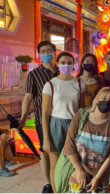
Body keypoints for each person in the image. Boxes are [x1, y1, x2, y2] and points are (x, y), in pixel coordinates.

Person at [42, 52, 86, 194]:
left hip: (75, 125)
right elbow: (44, 114)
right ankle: (56, 192)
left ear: (74, 64)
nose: (66, 65)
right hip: (56, 125)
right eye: (63, 62)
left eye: (69, 62)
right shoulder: (50, 85)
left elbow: (81, 109)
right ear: (58, 64)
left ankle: (72, 190)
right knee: (54, 164)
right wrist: (46, 139)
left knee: (75, 162)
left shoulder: (79, 83)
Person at [17, 41, 57, 194]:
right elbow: (28, 98)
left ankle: (57, 179)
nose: (46, 53)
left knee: (61, 151)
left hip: (61, 119)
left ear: (54, 52)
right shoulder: (33, 74)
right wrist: (22, 119)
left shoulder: (61, 72)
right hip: (42, 119)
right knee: (45, 150)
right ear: (39, 54)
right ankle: (47, 183)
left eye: (49, 50)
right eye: (43, 51)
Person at [64, 87, 110, 194]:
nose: (106, 102)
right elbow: (69, 146)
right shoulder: (81, 117)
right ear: (97, 99)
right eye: (103, 98)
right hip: (78, 171)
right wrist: (79, 170)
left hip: (100, 177)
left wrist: (97, 178)